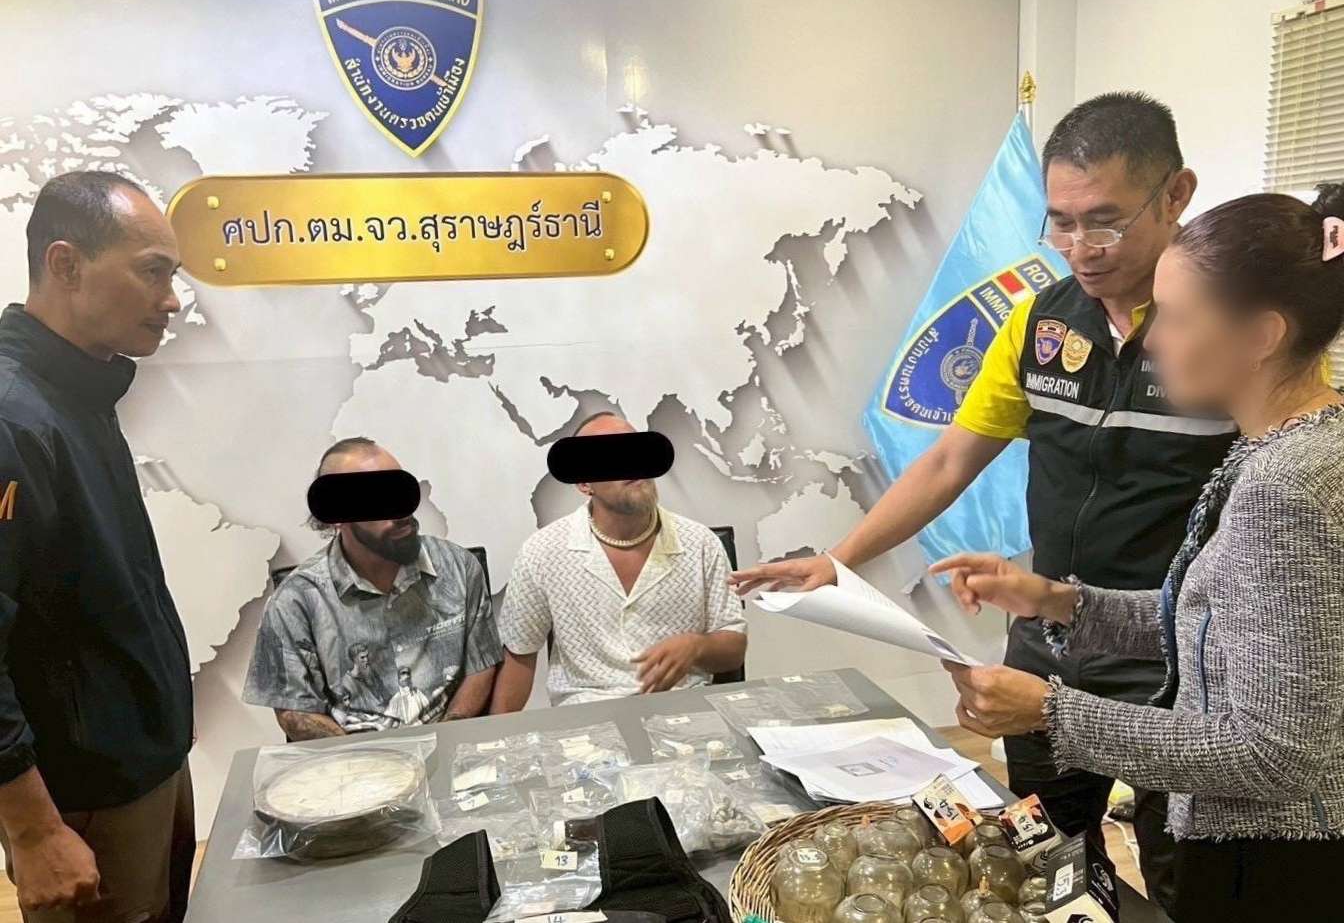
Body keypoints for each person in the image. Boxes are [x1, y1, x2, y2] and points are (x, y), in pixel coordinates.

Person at [730, 92, 1237, 907]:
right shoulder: (1040, 324)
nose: (1080, 248)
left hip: (1177, 657)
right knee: (1036, 852)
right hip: (1050, 636)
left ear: (1176, 194)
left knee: (1180, 872)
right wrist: (839, 561)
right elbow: (948, 460)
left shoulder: (1228, 331)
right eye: (1060, 223)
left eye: (1104, 222)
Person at [930, 187, 1344, 921]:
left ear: (1261, 336)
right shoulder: (1297, 445)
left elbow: (1275, 752)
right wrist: (1057, 601)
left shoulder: (1286, 487)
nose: (1151, 342)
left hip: (1274, 861)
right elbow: (1220, 627)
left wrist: (1051, 709)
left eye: (1177, 318)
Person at [0, 171, 194, 921]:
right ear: (66, 265)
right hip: (83, 797)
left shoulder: (81, 391)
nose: (172, 300)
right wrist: (32, 828)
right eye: (153, 272)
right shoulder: (14, 417)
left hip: (146, 763)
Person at [243, 438, 502, 739]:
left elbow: (481, 666)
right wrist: (366, 758)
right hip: (351, 751)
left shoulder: (458, 567)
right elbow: (295, 711)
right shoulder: (296, 601)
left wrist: (445, 739)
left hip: (447, 738)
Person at [492, 412, 747, 709]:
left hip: (682, 708)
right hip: (588, 712)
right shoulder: (542, 552)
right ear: (584, 483)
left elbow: (734, 647)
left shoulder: (700, 543)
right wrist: (497, 734)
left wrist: (697, 646)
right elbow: (520, 654)